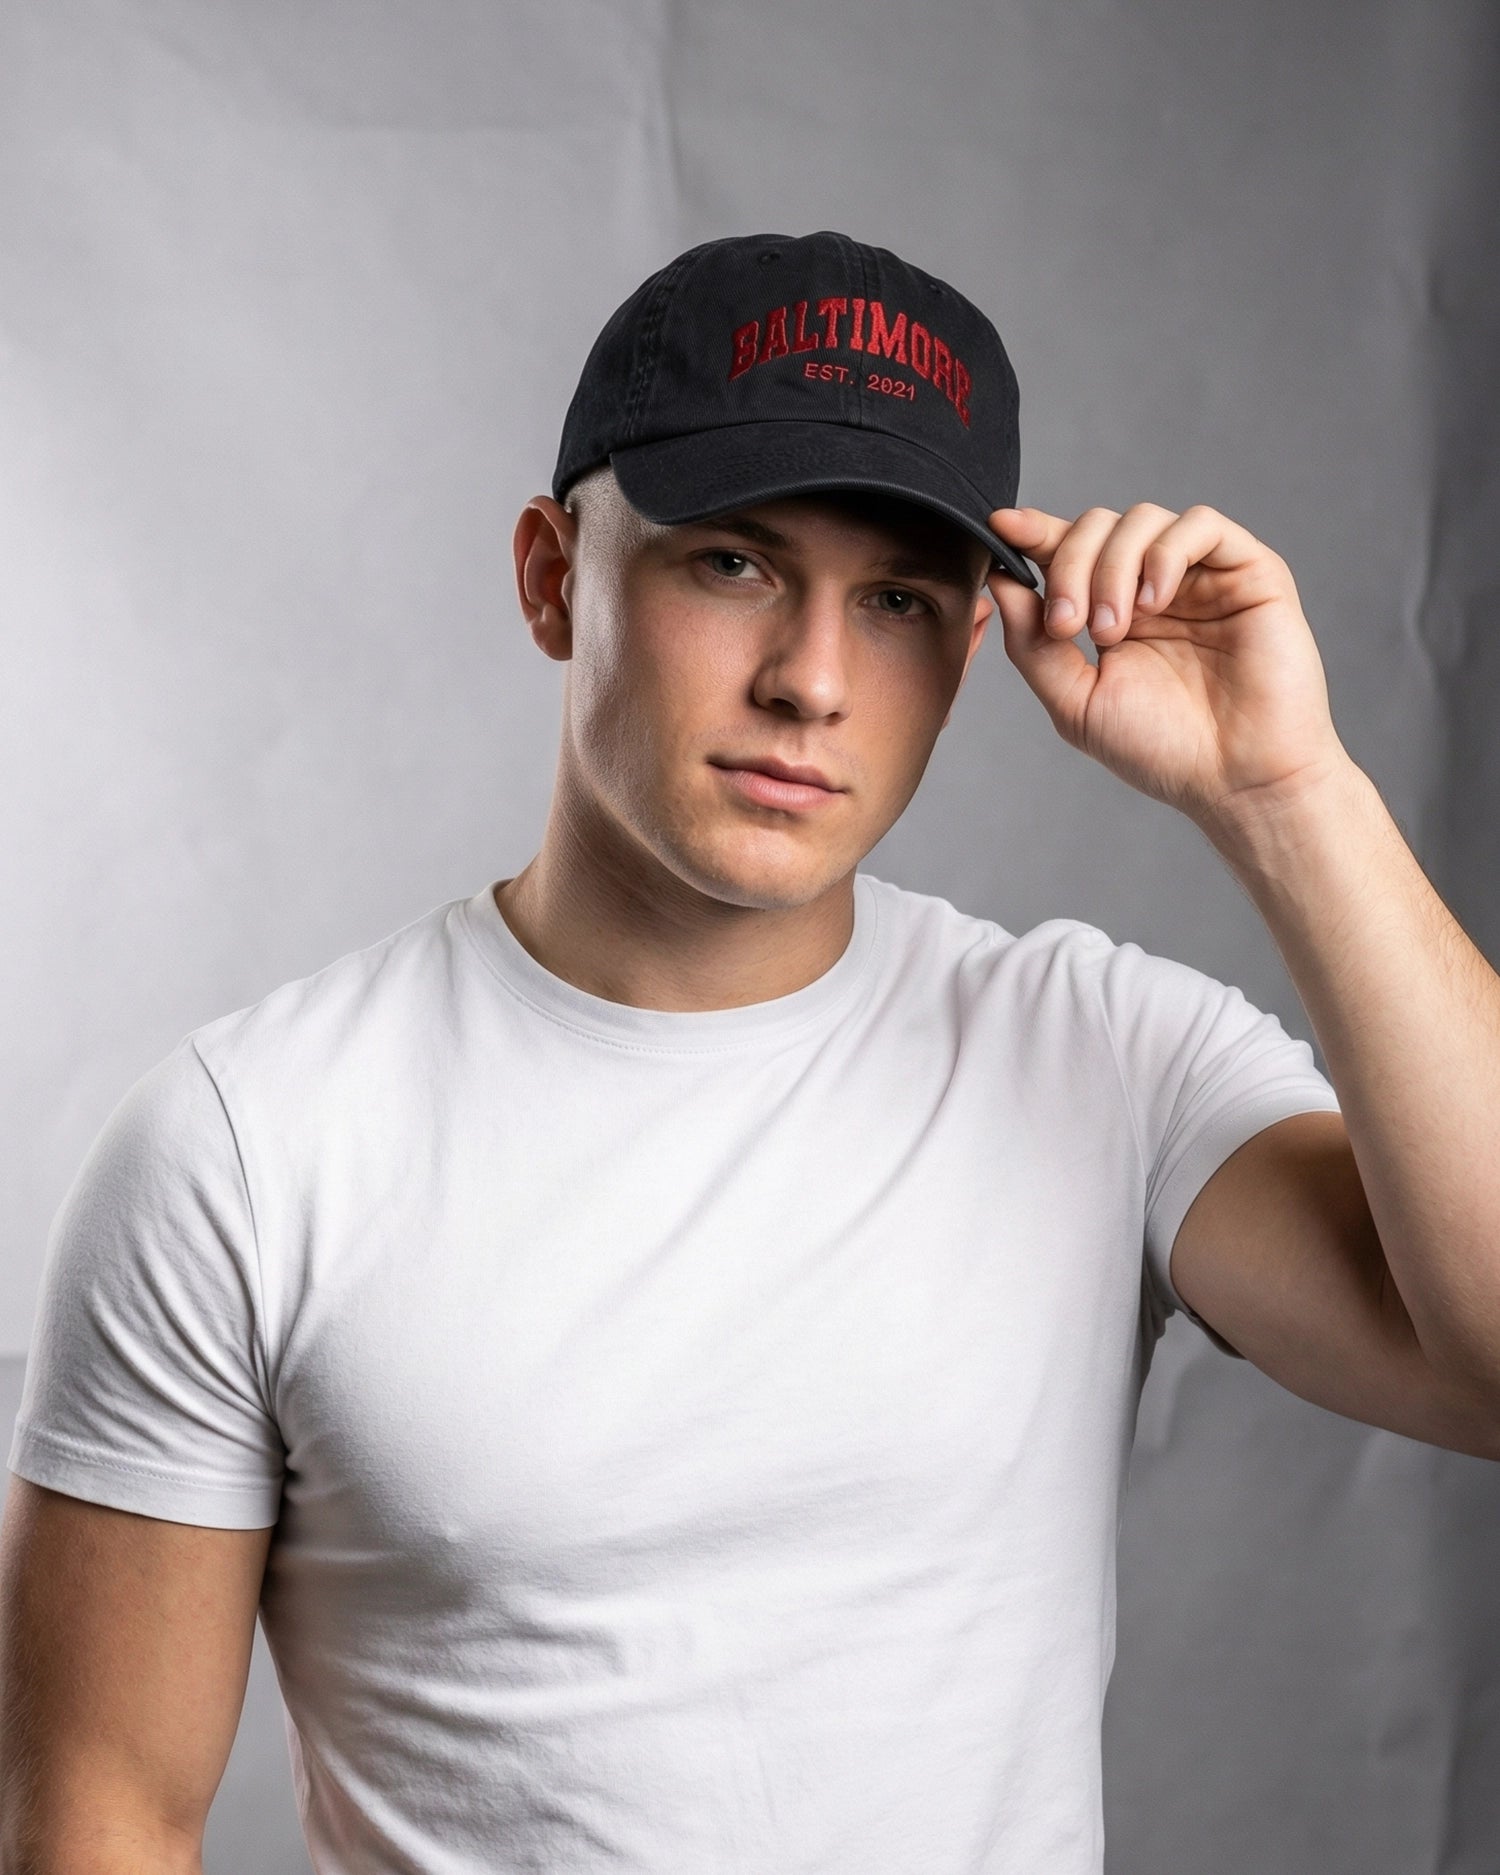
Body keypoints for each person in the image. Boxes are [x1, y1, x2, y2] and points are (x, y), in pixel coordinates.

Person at [1, 229, 1497, 1875]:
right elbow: (101, 1821)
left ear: (968, 652)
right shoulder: (248, 1144)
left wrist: (1290, 797)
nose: (811, 681)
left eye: (899, 600)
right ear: (553, 577)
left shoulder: (1103, 1058)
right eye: (731, 563)